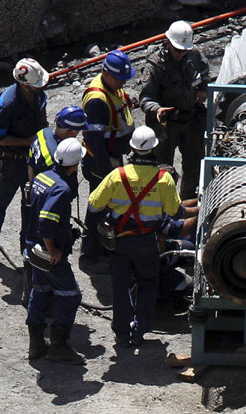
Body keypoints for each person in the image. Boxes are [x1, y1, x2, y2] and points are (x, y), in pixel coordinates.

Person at [86, 126, 183, 347]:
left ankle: (121, 332)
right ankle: (140, 329)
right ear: (154, 150)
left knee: (120, 285)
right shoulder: (164, 179)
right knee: (147, 283)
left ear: (131, 148)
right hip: (147, 241)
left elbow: (93, 205)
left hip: (119, 241)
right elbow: (175, 212)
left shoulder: (117, 175)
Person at [0, 57, 50, 270]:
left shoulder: (38, 95)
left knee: (31, 207)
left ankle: (28, 252)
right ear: (23, 84)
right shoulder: (8, 103)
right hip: (12, 163)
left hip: (34, 160)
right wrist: (26, 142)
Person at [25, 138, 86, 365]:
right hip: (47, 252)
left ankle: (36, 344)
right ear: (75, 165)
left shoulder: (42, 177)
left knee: (41, 290)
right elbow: (45, 222)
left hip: (33, 248)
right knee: (71, 295)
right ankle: (58, 346)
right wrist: (53, 249)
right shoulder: (62, 188)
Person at [21, 105, 89, 306]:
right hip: (50, 205)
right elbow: (58, 188)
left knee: (29, 240)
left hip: (34, 197)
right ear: (70, 131)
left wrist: (34, 191)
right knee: (46, 248)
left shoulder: (42, 135)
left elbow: (31, 165)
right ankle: (43, 295)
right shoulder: (56, 157)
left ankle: (31, 291)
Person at [139, 20, 211, 200]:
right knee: (162, 169)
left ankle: (188, 201)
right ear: (168, 42)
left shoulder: (194, 55)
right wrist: (156, 109)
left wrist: (203, 89)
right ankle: (163, 204)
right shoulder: (155, 65)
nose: (181, 54)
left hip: (191, 121)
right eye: (178, 50)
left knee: (194, 165)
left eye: (184, 50)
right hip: (166, 126)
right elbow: (145, 97)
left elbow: (205, 73)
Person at [79, 49, 136, 274]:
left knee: (107, 207)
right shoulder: (97, 101)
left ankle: (101, 249)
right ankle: (89, 256)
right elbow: (95, 141)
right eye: (121, 78)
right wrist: (106, 172)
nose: (124, 82)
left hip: (111, 158)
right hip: (100, 163)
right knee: (97, 207)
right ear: (108, 74)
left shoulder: (112, 87)